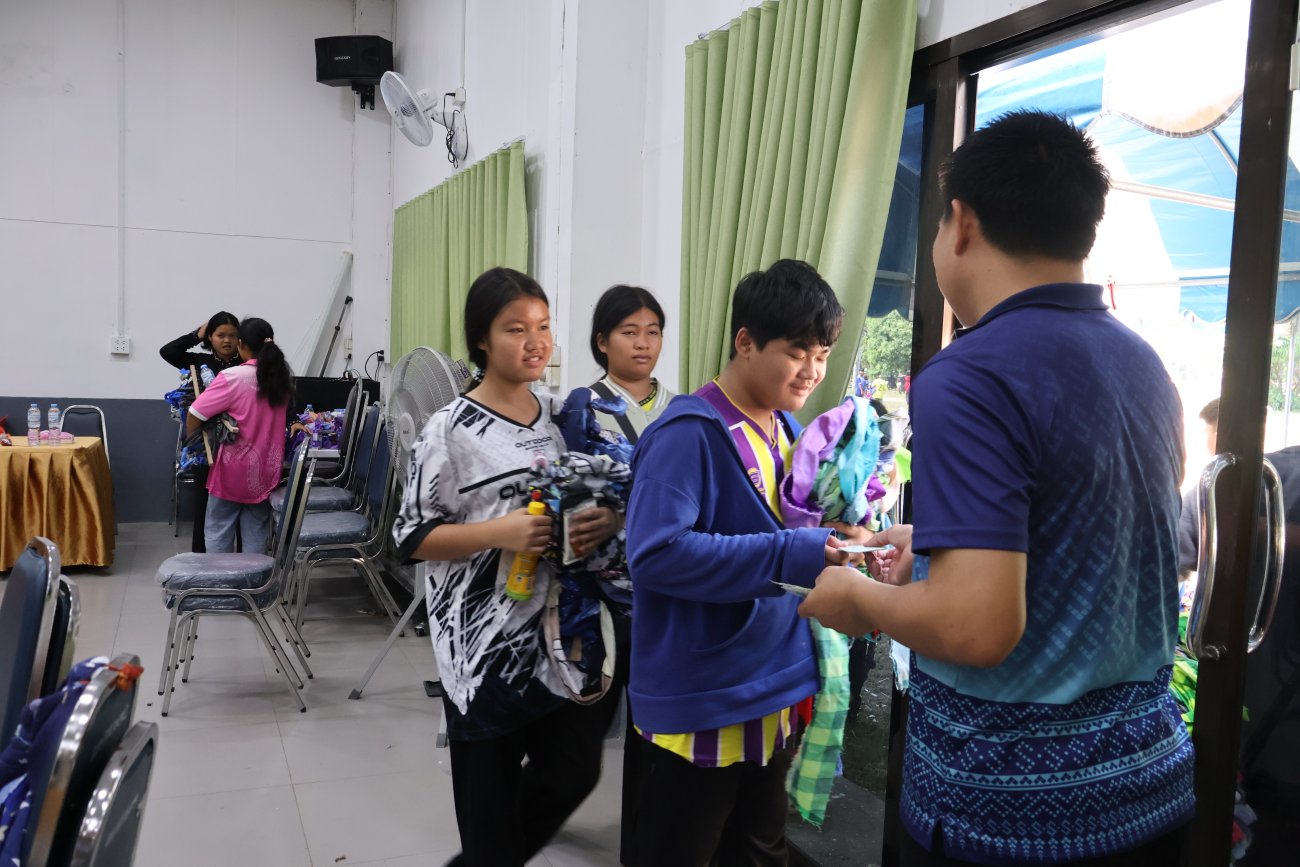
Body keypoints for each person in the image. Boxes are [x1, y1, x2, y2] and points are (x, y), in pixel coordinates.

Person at [799, 110, 1194, 866]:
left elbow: (976, 625)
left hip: (1012, 815)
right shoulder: (1143, 364)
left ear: (963, 224)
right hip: (1149, 786)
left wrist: (861, 602)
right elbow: (1091, 538)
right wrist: (935, 543)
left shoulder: (970, 374)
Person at [624, 258, 860, 865]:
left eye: (823, 355)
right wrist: (797, 550)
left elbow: (794, 532)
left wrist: (845, 540)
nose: (813, 371)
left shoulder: (788, 430)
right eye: (798, 352)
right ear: (746, 342)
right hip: (706, 698)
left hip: (775, 686)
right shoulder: (687, 433)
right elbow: (655, 554)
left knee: (759, 847)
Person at [391, 268, 609, 867]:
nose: (536, 342)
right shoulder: (448, 430)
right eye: (516, 329)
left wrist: (602, 519)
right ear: (482, 340)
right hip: (480, 656)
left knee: (573, 771)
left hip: (556, 641)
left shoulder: (562, 417)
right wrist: (499, 533)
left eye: (544, 326)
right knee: (487, 813)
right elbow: (410, 537)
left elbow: (590, 489)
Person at [570, 283, 675, 864]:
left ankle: (639, 844)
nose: (643, 343)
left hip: (664, 593)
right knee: (581, 735)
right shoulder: (581, 408)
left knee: (652, 733)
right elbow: (571, 502)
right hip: (601, 596)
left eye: (652, 331)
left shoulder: (683, 410)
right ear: (602, 341)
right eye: (629, 332)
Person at [186, 317, 292, 555]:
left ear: (241, 344)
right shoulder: (281, 379)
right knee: (256, 531)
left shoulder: (232, 377)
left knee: (219, 528)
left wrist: (195, 448)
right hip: (266, 469)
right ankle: (253, 577)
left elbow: (195, 413)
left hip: (231, 470)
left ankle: (221, 577)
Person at [161, 311, 242, 552]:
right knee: (205, 501)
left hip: (238, 440)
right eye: (220, 335)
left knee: (240, 501)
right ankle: (202, 556)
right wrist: (196, 335)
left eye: (232, 336)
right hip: (206, 442)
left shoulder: (245, 364)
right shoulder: (199, 362)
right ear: (210, 337)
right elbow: (168, 352)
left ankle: (242, 560)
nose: (227, 341)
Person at [1177, 397, 1220, 575]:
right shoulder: (1272, 479)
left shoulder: (1211, 487)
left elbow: (1177, 556)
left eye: (1206, 432)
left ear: (1218, 436)